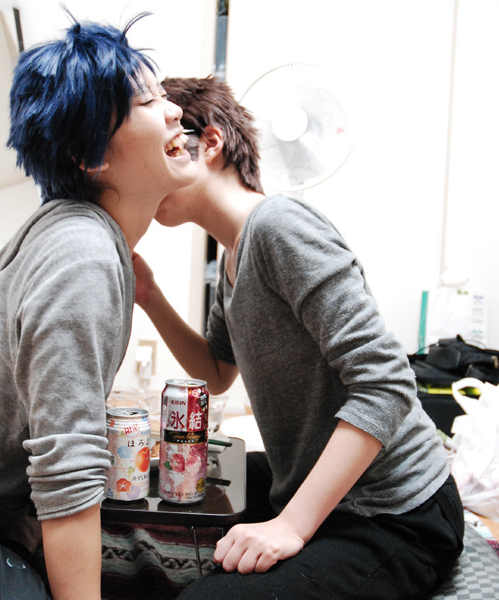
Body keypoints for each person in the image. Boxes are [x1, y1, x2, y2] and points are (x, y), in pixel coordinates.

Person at [132, 76, 465, 600]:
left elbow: (387, 384)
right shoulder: (233, 256)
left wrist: (290, 526)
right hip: (312, 481)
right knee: (176, 477)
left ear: (210, 142)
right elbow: (216, 374)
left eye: (165, 151)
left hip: (394, 510)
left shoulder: (278, 226)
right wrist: (150, 296)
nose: (149, 178)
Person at [0, 16, 196, 600]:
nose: (175, 110)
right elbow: (67, 467)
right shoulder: (83, 255)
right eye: (148, 101)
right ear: (90, 156)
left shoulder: (70, 232)